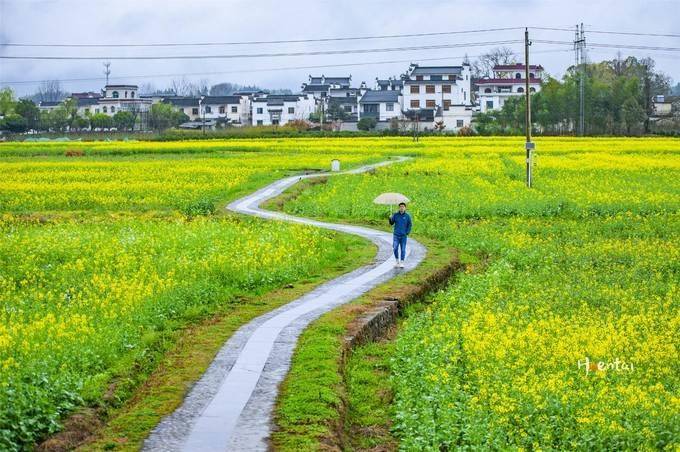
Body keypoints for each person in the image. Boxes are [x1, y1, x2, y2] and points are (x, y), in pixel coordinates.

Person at [389, 202, 412, 268]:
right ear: (399, 208)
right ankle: (397, 261)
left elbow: (409, 225)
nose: (401, 208)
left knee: (403, 249)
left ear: (405, 208)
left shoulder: (407, 216)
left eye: (403, 207)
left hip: (403, 236)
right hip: (396, 235)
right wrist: (390, 218)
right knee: (395, 248)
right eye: (400, 206)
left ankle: (402, 262)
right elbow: (391, 223)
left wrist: (407, 232)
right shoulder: (395, 215)